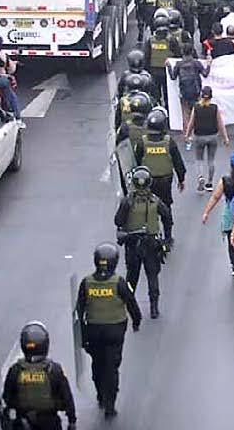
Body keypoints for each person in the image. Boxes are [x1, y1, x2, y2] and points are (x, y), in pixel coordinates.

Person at [75, 243, 142, 418]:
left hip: (93, 331)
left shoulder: (86, 283)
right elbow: (131, 302)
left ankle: (101, 395)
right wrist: (137, 321)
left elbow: (79, 310)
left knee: (97, 364)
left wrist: (82, 335)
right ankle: (110, 403)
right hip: (115, 331)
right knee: (112, 367)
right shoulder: (119, 282)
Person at [114, 166, 171, 320]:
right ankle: (154, 307)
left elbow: (118, 220)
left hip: (133, 243)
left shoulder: (127, 201)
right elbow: (167, 216)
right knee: (152, 275)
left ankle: (129, 304)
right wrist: (167, 239)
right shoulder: (155, 201)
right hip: (152, 243)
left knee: (132, 276)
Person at [1, 321, 77, 430]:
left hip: (23, 422)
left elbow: (7, 397)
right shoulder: (54, 370)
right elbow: (67, 398)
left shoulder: (16, 370)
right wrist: (72, 421)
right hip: (50, 423)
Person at [132, 108, 185, 245]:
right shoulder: (169, 142)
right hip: (165, 182)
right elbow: (178, 162)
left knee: (144, 206)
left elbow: (135, 162)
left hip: (146, 182)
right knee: (165, 208)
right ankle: (168, 238)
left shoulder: (142, 142)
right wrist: (181, 179)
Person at [201, 153, 234, 281]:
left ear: (231, 165)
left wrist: (206, 212)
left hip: (230, 213)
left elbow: (215, 197)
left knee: (231, 240)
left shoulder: (225, 181)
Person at [185, 85, 230, 192]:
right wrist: (225, 138)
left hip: (199, 136)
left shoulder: (196, 107)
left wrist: (187, 135)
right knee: (211, 160)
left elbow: (191, 123)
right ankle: (209, 183)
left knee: (199, 159)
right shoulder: (214, 108)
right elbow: (220, 124)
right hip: (213, 136)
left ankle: (201, 176)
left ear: (201, 95)